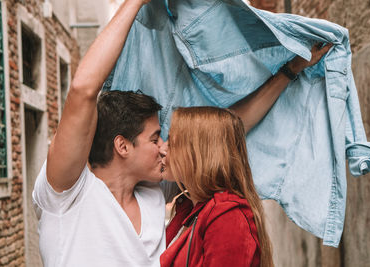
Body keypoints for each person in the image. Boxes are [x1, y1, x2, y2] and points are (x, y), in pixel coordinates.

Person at [31, 0, 331, 265]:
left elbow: (226, 131)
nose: (164, 148)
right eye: (155, 138)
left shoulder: (153, 189)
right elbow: (83, 90)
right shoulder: (67, 191)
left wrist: (290, 71)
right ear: (122, 146)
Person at [160, 107, 272, 267]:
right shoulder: (190, 208)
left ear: (199, 151)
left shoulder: (227, 216)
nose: (162, 149)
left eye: (171, 142)